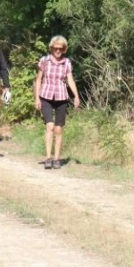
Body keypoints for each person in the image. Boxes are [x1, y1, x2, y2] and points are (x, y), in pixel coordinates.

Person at [34, 35, 80, 169]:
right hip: (46, 95)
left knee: (59, 129)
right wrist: (37, 98)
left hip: (61, 97)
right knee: (50, 126)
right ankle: (48, 157)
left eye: (61, 48)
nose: (58, 51)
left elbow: (70, 80)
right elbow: (38, 80)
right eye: (55, 48)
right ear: (51, 48)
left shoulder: (67, 62)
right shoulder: (45, 60)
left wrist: (76, 96)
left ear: (64, 49)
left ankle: (57, 158)